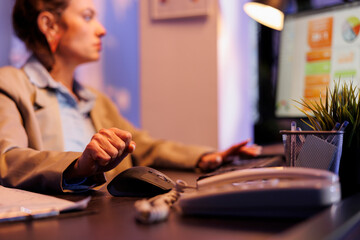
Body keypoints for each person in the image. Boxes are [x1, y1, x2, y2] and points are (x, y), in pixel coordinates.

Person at [0, 0, 261, 193]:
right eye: (88, 17)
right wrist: (79, 166)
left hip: (103, 215)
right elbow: (8, 159)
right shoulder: (10, 84)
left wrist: (205, 157)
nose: (101, 29)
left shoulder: (94, 99)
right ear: (49, 24)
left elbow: (145, 146)